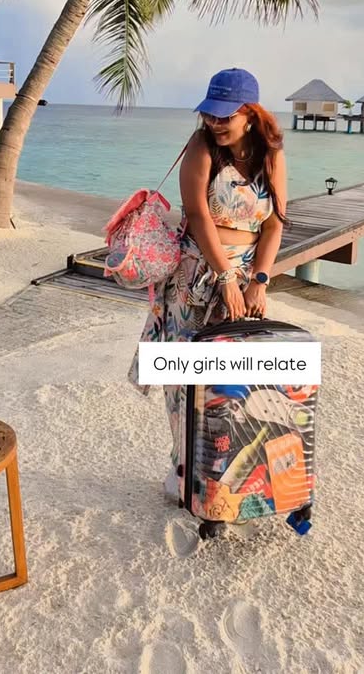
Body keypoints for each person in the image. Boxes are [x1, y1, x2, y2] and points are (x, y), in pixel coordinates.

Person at [128, 68, 287, 492]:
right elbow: (198, 216)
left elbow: (274, 224)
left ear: (250, 114)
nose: (215, 122)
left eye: (225, 116)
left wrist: (259, 280)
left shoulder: (271, 154)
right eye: (210, 114)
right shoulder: (201, 147)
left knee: (233, 377)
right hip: (198, 272)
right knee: (186, 375)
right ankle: (183, 468)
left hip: (247, 273)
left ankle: (223, 467)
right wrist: (226, 277)